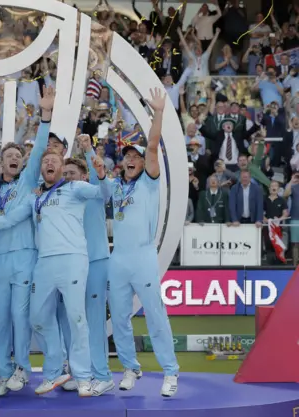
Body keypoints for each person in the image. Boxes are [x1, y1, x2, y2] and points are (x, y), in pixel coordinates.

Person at [0, 149, 109, 397]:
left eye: (54, 161)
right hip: (43, 263)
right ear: (41, 170)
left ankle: (83, 376)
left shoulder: (75, 188)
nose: (49, 163)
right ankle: (54, 371)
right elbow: (9, 220)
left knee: (76, 318)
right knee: (37, 318)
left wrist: (102, 175)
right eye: (45, 161)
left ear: (62, 168)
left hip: (73, 259)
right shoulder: (35, 198)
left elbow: (102, 194)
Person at [101, 88, 180, 397]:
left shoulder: (149, 181)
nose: (132, 159)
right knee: (119, 318)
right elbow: (98, 178)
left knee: (155, 314)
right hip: (117, 258)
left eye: (136, 156)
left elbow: (152, 145)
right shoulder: (117, 187)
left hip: (144, 257)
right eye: (127, 157)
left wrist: (158, 113)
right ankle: (130, 367)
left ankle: (171, 372)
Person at [0, 85, 54, 395]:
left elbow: (39, 149)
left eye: (18, 156)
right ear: (0, 164)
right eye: (8, 156)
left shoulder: (28, 182)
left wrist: (46, 116)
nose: (14, 159)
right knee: (0, 320)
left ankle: (22, 369)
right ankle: (2, 372)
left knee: (19, 315)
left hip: (24, 257)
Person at [59, 134, 115, 396]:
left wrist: (89, 150)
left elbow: (106, 188)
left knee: (93, 319)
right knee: (73, 320)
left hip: (95, 261)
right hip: (71, 263)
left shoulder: (93, 191)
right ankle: (79, 371)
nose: (68, 177)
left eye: (73, 173)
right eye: (65, 173)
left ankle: (102, 375)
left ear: (84, 176)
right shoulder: (62, 198)